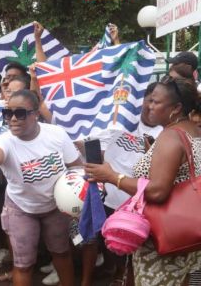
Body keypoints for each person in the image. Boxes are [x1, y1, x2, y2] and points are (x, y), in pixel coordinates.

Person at [85, 76, 201, 285]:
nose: (147, 106)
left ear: (176, 108)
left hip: (164, 235)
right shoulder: (194, 132)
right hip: (188, 232)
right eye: (148, 99)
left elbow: (157, 192)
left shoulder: (170, 137)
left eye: (155, 102)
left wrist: (112, 177)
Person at [0, 89, 80, 286]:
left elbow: (76, 166)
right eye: (7, 113)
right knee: (23, 265)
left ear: (36, 114)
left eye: (20, 113)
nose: (13, 119)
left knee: (61, 254)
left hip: (56, 207)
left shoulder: (56, 134)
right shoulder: (4, 140)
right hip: (21, 208)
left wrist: (77, 194)